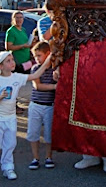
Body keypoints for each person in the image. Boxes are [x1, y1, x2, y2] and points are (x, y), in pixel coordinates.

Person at [0, 50, 52, 180]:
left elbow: (36, 75)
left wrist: (49, 59)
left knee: (10, 144)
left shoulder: (17, 77)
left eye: (12, 59)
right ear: (1, 66)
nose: (12, 62)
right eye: (8, 61)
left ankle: (8, 167)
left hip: (11, 118)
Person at [27, 41, 57, 170]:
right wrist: (55, 86)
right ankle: (35, 158)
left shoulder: (55, 69)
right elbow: (37, 86)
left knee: (49, 134)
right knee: (33, 133)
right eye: (35, 56)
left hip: (49, 106)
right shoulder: (35, 69)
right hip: (36, 105)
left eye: (39, 56)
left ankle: (48, 157)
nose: (36, 59)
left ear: (48, 54)